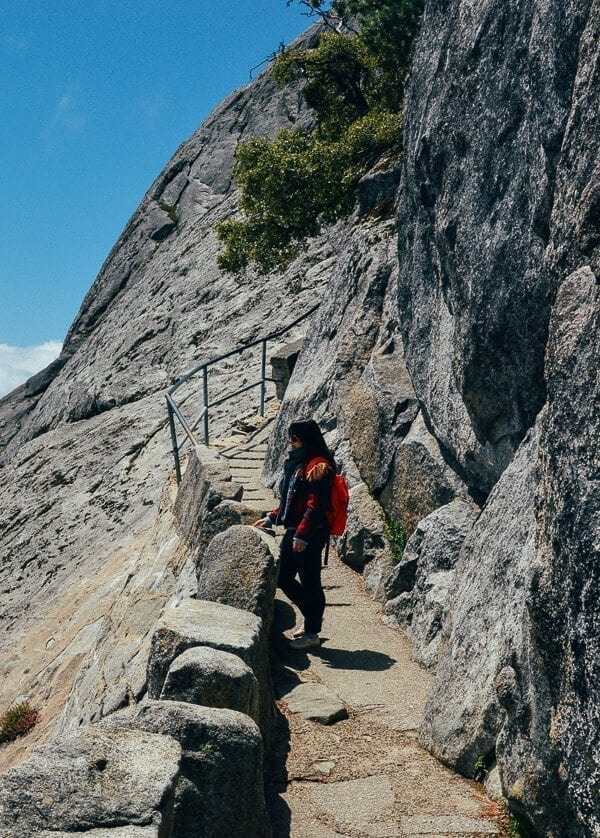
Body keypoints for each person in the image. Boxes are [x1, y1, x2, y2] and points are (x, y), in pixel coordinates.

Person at [255, 419, 334, 650]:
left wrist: (301, 536)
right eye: (290, 437)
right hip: (298, 531)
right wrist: (271, 517)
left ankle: (312, 632)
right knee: (288, 577)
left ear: (306, 439)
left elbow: (314, 506)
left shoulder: (318, 467)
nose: (291, 442)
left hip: (308, 534)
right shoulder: (302, 464)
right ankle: (312, 620)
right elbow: (291, 502)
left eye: (294, 438)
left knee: (308, 581)